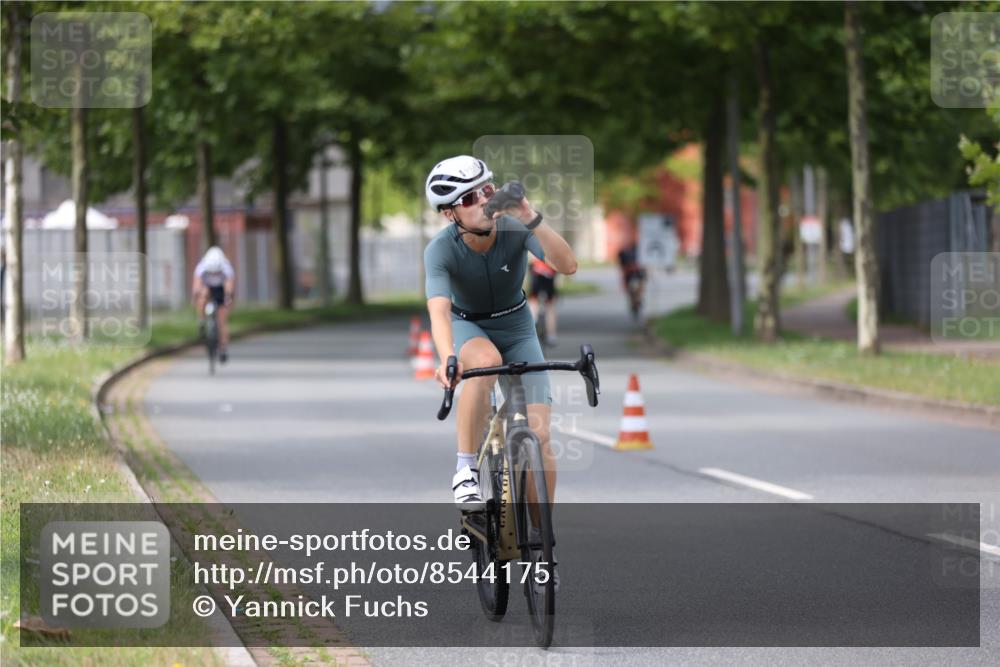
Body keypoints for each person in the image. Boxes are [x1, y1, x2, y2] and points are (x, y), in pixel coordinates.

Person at [423, 155, 577, 515]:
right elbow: (439, 311)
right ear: (450, 214)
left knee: (540, 435)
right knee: (486, 361)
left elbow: (568, 265)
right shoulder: (440, 250)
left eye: (487, 191)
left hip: (518, 326)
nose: (482, 202)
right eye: (468, 199)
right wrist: (447, 357)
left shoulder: (513, 228)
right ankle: (465, 469)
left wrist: (529, 216)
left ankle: (540, 536)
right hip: (470, 326)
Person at [192, 245, 235, 363]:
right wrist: (197, 297)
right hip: (207, 288)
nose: (214, 275)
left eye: (216, 273)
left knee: (222, 320)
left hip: (221, 289)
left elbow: (229, 287)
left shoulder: (227, 268)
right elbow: (196, 286)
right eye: (212, 272)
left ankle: (223, 348)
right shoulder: (201, 267)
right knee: (202, 296)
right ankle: (202, 321)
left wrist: (228, 298)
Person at [527, 254, 559, 347]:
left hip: (537, 267)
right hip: (549, 269)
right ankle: (551, 335)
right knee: (550, 305)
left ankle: (532, 327)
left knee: (533, 301)